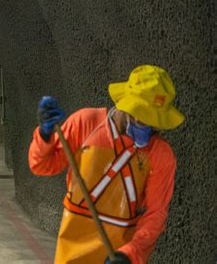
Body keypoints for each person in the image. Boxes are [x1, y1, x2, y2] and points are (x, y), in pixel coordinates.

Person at [28, 65, 185, 264]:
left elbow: (156, 213)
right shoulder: (86, 123)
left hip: (119, 253)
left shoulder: (160, 154)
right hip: (72, 248)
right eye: (144, 119)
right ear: (127, 106)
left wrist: (131, 253)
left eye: (154, 122)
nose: (149, 128)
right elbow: (41, 166)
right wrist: (44, 135)